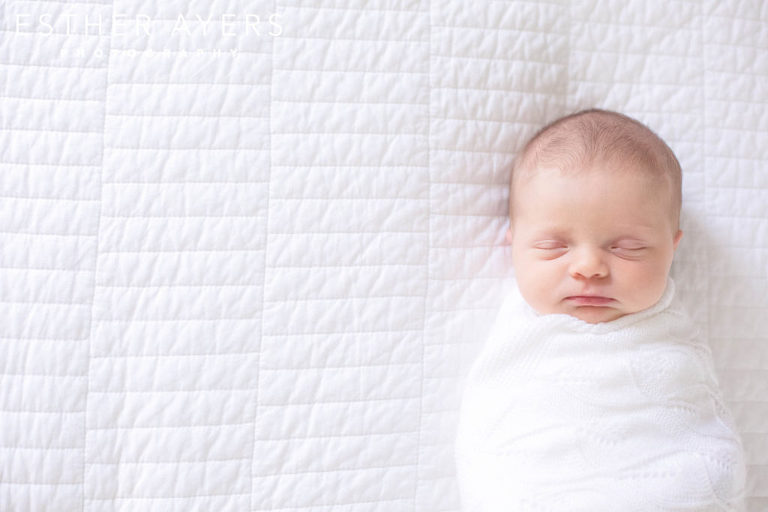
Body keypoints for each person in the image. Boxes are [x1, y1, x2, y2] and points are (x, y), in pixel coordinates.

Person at [454, 109, 747, 511]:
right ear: (514, 242)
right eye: (554, 245)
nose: (588, 267)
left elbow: (695, 425)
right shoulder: (519, 337)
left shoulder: (669, 331)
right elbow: (498, 440)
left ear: (672, 247)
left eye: (627, 248)